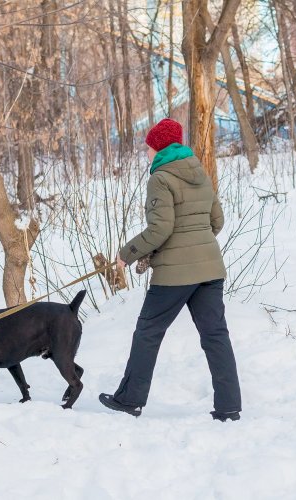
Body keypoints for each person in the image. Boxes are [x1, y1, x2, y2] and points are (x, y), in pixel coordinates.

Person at [99, 118, 242, 421]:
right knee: (216, 336)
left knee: (148, 332)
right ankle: (229, 407)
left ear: (159, 148)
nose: (147, 153)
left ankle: (130, 400)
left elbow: (160, 229)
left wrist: (126, 254)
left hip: (175, 274)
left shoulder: (160, 178)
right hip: (210, 269)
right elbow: (217, 221)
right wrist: (197, 245)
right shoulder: (199, 172)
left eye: (148, 147)